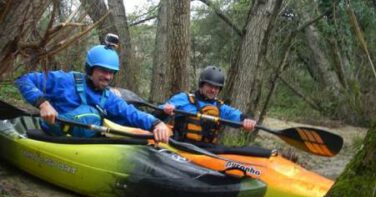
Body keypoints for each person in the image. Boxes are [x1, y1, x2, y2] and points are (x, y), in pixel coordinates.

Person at [15, 44, 170, 143]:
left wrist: (157, 123)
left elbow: (132, 113)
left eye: (111, 73)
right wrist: (43, 103)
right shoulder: (65, 80)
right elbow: (24, 80)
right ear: (90, 69)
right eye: (103, 71)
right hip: (52, 139)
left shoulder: (109, 98)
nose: (108, 76)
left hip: (82, 146)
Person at [160, 65, 256, 147]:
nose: (213, 90)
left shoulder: (220, 107)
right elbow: (157, 114)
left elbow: (237, 115)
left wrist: (247, 120)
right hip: (181, 145)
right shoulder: (183, 98)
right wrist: (165, 111)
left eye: (216, 87)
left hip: (207, 150)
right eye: (210, 86)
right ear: (201, 85)